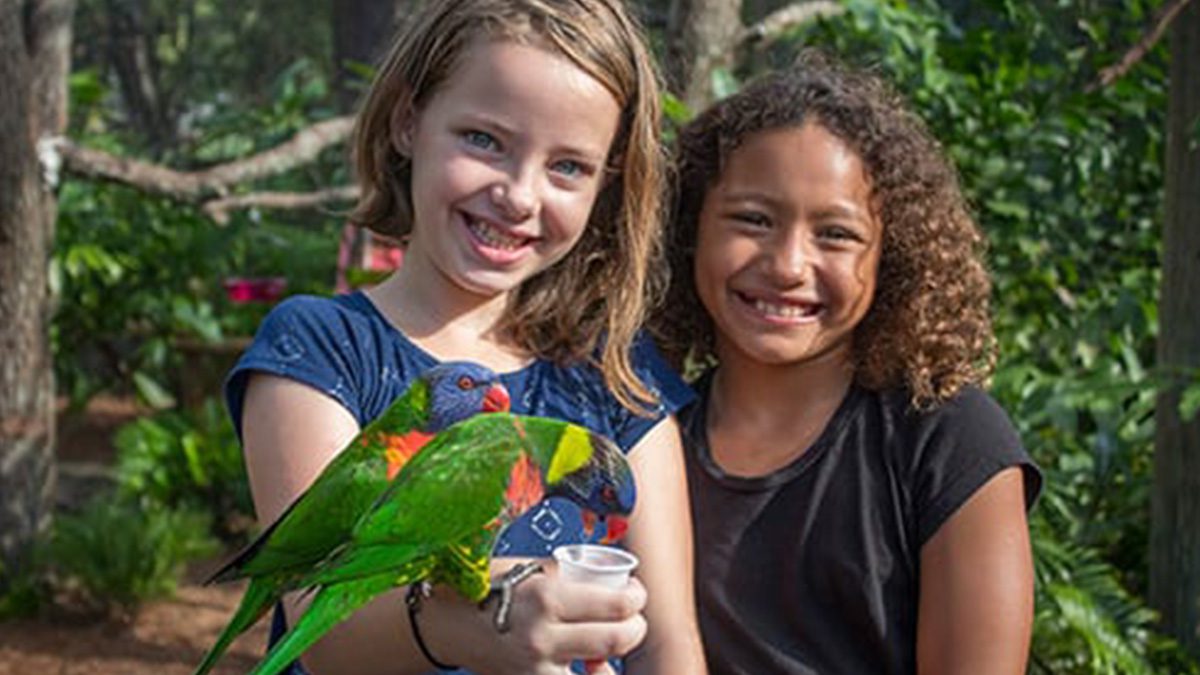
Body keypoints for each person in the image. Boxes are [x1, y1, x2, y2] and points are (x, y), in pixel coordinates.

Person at [224, 1, 706, 673]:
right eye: (483, 139)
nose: (518, 193)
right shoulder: (323, 349)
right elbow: (323, 625)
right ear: (407, 121)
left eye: (568, 166)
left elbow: (667, 640)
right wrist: (471, 623)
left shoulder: (617, 377)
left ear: (607, 183)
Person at [654, 51, 1043, 675]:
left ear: (892, 256)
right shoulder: (645, 435)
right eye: (753, 219)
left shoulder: (949, 442)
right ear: (689, 229)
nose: (787, 264)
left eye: (835, 234)